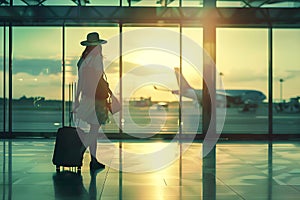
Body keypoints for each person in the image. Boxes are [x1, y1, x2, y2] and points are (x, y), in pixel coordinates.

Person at [73, 32, 109, 171]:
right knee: (94, 130)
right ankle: (81, 151)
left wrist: (76, 99)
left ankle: (94, 160)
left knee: (93, 128)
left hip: (86, 97)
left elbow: (80, 82)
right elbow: (98, 79)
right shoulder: (97, 59)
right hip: (97, 98)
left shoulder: (82, 61)